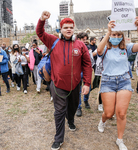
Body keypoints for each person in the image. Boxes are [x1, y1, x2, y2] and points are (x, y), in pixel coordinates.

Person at [36, 11, 92, 150]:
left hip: (75, 85)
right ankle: (58, 138)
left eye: (71, 27)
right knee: (59, 111)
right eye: (65, 27)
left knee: (72, 108)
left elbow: (87, 64)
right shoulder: (53, 41)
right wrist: (42, 20)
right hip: (57, 84)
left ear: (74, 29)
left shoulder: (80, 45)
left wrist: (87, 83)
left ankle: (71, 120)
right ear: (60, 29)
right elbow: (40, 33)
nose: (68, 29)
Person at [97, 17, 138, 150]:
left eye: (119, 34)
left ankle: (120, 139)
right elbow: (98, 50)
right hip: (108, 81)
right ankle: (103, 121)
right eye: (114, 34)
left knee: (121, 113)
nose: (116, 37)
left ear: (122, 36)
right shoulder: (105, 49)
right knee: (109, 113)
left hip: (124, 80)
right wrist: (109, 31)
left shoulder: (127, 48)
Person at [76, 32, 91, 117]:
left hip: (86, 71)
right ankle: (79, 107)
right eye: (83, 39)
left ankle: (86, 100)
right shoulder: (75, 47)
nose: (85, 41)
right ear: (78, 39)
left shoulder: (87, 47)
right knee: (78, 89)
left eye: (86, 39)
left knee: (88, 87)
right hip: (78, 71)